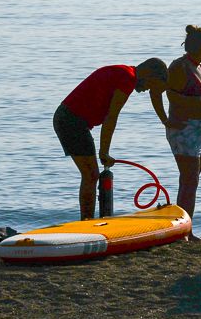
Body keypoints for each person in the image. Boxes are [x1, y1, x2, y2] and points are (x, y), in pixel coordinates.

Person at [53, 58, 169, 220]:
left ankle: (87, 219)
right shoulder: (128, 78)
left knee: (90, 174)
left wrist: (165, 121)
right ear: (148, 73)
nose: (145, 90)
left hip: (72, 120)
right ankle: (86, 221)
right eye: (150, 84)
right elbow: (111, 117)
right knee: (91, 174)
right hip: (70, 120)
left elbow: (110, 115)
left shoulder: (127, 73)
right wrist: (104, 152)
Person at [152, 25, 201, 239]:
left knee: (191, 181)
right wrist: (165, 121)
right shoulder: (179, 67)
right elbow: (156, 91)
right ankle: (183, 231)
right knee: (190, 180)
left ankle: (185, 228)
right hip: (184, 130)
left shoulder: (197, 65)